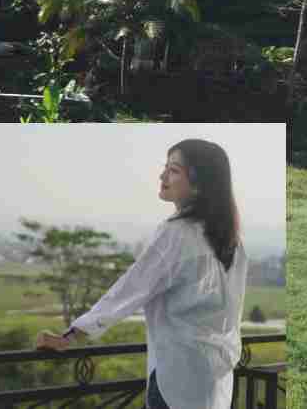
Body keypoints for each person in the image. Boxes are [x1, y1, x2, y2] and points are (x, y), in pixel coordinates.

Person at [35, 139, 247, 409]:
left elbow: (131, 289)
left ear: (199, 182)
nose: (162, 176)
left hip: (176, 379)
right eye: (165, 168)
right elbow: (232, 312)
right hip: (214, 377)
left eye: (174, 170)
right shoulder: (232, 239)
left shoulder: (177, 233)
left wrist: (72, 335)